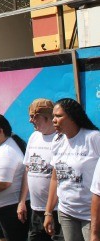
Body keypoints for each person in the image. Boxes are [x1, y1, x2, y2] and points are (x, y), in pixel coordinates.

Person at [44, 98, 100, 241]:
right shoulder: (57, 142)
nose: (54, 120)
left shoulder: (93, 138)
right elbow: (55, 178)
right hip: (66, 212)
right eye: (53, 116)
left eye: (59, 116)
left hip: (90, 215)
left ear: (73, 117)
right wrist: (48, 212)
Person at [20, 99, 62, 241]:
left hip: (57, 211)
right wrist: (22, 201)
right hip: (36, 209)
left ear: (46, 116)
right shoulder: (33, 137)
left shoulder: (60, 139)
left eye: (33, 116)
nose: (30, 120)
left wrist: (49, 212)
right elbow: (28, 169)